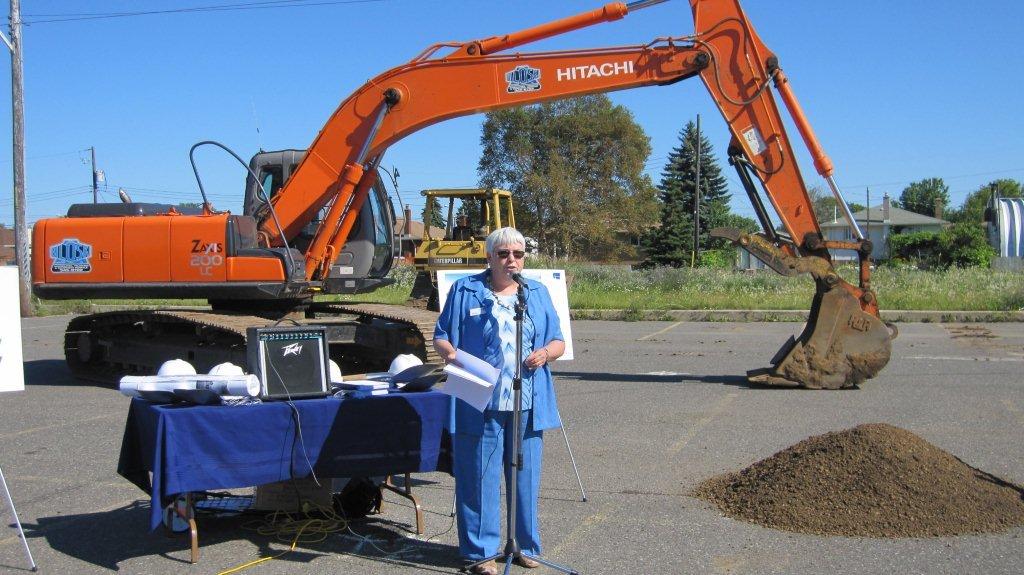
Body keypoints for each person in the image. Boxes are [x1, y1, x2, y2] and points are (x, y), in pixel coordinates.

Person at [433, 227, 566, 575]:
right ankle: (481, 552)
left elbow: (558, 341)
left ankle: (525, 545)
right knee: (478, 475)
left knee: (526, 475)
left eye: (518, 254)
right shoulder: (466, 290)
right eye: (504, 254)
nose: (512, 260)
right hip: (479, 399)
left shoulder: (535, 293)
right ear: (489, 257)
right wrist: (449, 354)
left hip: (527, 399)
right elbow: (442, 335)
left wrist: (545, 353)